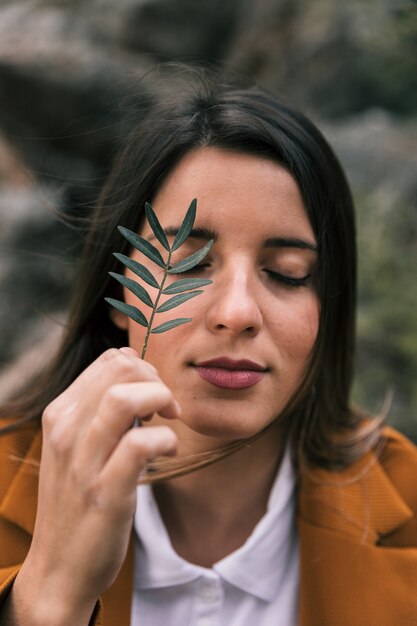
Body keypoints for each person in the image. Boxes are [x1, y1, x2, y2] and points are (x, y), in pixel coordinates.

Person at [0, 67, 416, 626]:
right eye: (187, 262)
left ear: (329, 308)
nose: (237, 313)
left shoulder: (408, 503)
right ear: (119, 286)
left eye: (287, 273)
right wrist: (49, 597)